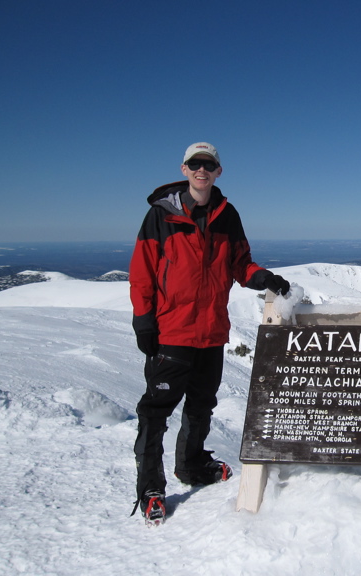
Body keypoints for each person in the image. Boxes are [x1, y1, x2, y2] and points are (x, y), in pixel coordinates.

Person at [128, 142, 290, 525]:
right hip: (172, 333)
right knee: (155, 413)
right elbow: (142, 272)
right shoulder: (160, 216)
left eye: (209, 165)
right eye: (196, 164)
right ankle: (151, 487)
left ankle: (191, 464)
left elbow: (239, 264)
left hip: (212, 333)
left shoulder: (227, 215)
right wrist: (144, 319)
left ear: (218, 171)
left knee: (201, 406)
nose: (202, 170)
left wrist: (263, 278)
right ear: (184, 169)